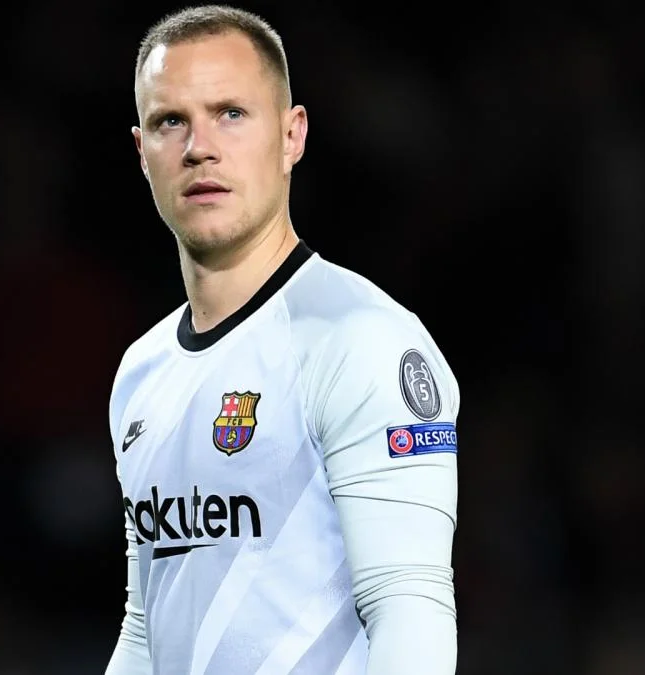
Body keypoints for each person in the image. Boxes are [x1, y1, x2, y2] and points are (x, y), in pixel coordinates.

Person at [105, 5, 459, 674]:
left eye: (231, 113)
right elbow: (147, 626)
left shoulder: (362, 342)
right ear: (142, 151)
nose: (199, 146)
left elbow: (409, 608)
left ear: (292, 135)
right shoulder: (141, 372)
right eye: (170, 121)